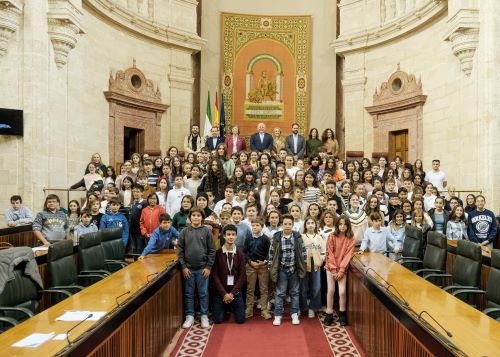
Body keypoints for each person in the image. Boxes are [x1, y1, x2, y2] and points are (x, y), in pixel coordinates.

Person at [177, 208, 216, 329]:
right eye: (193, 215)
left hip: (203, 269)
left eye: (198, 215)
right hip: (188, 269)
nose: (195, 217)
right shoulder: (184, 231)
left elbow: (212, 251)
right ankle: (190, 315)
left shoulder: (207, 231)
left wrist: (208, 267)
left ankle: (204, 315)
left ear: (202, 218)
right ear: (190, 217)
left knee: (203, 293)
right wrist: (183, 267)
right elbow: (180, 251)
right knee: (189, 293)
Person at [268, 214, 306, 326]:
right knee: (280, 293)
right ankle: (278, 315)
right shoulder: (276, 238)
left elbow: (303, 253)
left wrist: (302, 266)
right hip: (282, 269)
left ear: (293, 225)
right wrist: (271, 267)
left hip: (294, 268)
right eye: (285, 224)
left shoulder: (297, 237)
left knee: (295, 292)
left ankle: (294, 313)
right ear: (281, 225)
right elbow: (271, 254)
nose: (287, 226)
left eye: (290, 224)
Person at [211, 224, 247, 324]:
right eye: (228, 234)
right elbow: (215, 276)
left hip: (235, 292)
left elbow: (242, 276)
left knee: (240, 320)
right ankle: (226, 306)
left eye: (233, 234)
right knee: (217, 320)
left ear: (236, 236)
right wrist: (224, 294)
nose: (231, 237)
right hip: (220, 292)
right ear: (224, 236)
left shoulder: (240, 254)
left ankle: (230, 306)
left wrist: (231, 294)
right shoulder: (218, 254)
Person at [324, 215, 355, 326]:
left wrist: (341, 271)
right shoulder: (331, 236)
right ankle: (329, 313)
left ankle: (342, 313)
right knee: (331, 290)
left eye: (345, 224)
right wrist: (333, 270)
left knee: (342, 292)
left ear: (348, 226)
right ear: (337, 225)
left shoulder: (351, 238)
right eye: (340, 224)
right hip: (331, 268)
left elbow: (348, 255)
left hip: (342, 269)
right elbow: (329, 253)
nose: (342, 226)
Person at [243, 217, 272, 319]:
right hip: (251, 266)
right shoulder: (248, 238)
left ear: (262, 226)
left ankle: (264, 309)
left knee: (263, 289)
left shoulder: (265, 239)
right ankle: (249, 309)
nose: (255, 227)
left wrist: (264, 262)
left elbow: (269, 253)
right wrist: (250, 262)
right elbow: (245, 252)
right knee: (250, 289)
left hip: (263, 266)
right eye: (253, 225)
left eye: (257, 225)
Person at [300, 216, 324, 319]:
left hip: (316, 263)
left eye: (312, 223)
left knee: (316, 286)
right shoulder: (301, 237)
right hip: (304, 264)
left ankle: (312, 307)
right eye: (308, 223)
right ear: (305, 225)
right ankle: (303, 307)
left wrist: (320, 260)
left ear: (315, 225)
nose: (310, 225)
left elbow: (323, 251)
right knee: (304, 286)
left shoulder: (319, 237)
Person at [129, 185, 147, 254]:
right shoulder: (132, 203)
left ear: (142, 193)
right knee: (134, 248)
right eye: (134, 192)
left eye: (137, 192)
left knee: (140, 248)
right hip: (132, 230)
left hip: (139, 230)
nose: (135, 193)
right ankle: (134, 262)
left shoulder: (144, 203)